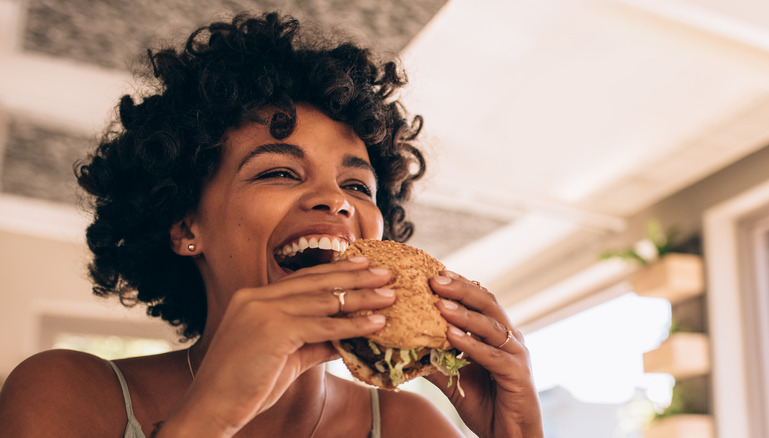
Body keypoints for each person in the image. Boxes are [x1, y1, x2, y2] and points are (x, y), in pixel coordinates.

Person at [0, 12, 543, 438]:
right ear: (186, 225)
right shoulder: (67, 392)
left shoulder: (411, 427)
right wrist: (207, 419)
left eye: (357, 186)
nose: (335, 200)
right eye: (281, 171)